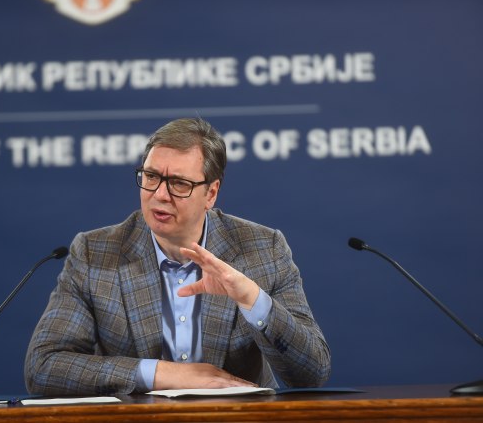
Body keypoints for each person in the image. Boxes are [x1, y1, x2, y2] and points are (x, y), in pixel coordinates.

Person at [25, 118, 330, 395]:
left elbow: (312, 374)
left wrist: (252, 298)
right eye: (151, 177)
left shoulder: (263, 249)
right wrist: (164, 374)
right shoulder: (95, 253)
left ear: (211, 193)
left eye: (179, 184)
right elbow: (44, 366)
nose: (160, 194)